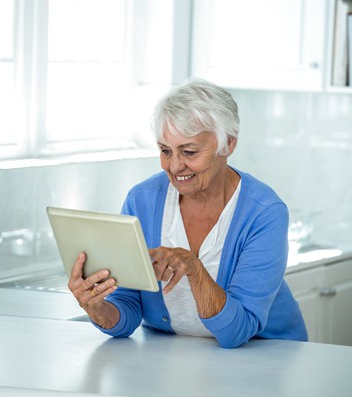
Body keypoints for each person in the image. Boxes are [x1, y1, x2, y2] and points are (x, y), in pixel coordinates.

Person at [68, 78, 308, 349]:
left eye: (190, 151)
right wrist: (96, 307)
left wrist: (194, 269)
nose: (175, 166)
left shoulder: (264, 213)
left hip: (268, 355)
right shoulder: (142, 200)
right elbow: (128, 306)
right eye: (165, 150)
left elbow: (237, 331)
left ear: (228, 144)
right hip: (179, 357)